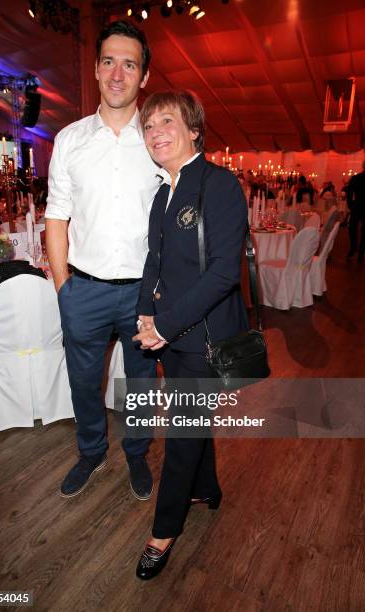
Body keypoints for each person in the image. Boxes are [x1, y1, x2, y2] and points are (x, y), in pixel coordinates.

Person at [133, 91, 249, 579]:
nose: (156, 131)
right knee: (193, 418)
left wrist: (164, 324)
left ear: (194, 129)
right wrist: (144, 315)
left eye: (166, 121)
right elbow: (154, 261)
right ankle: (209, 489)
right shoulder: (164, 192)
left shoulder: (219, 185)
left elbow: (224, 273)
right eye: (148, 125)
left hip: (203, 338)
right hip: (171, 336)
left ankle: (164, 532)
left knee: (181, 432)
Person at [45, 21, 160, 500]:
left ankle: (136, 453)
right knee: (83, 383)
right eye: (109, 61)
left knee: (141, 385)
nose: (118, 73)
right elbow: (56, 216)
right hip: (85, 289)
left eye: (129, 64)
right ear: (95, 69)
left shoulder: (160, 140)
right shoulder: (70, 140)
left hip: (143, 292)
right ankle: (91, 452)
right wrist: (63, 288)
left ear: (144, 77)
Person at [346, 161, 365, 262]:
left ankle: (356, 249)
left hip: (356, 206)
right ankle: (357, 249)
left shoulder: (356, 178)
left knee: (352, 227)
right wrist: (350, 204)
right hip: (357, 206)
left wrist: (350, 204)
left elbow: (349, 191)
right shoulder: (356, 177)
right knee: (352, 227)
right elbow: (349, 191)